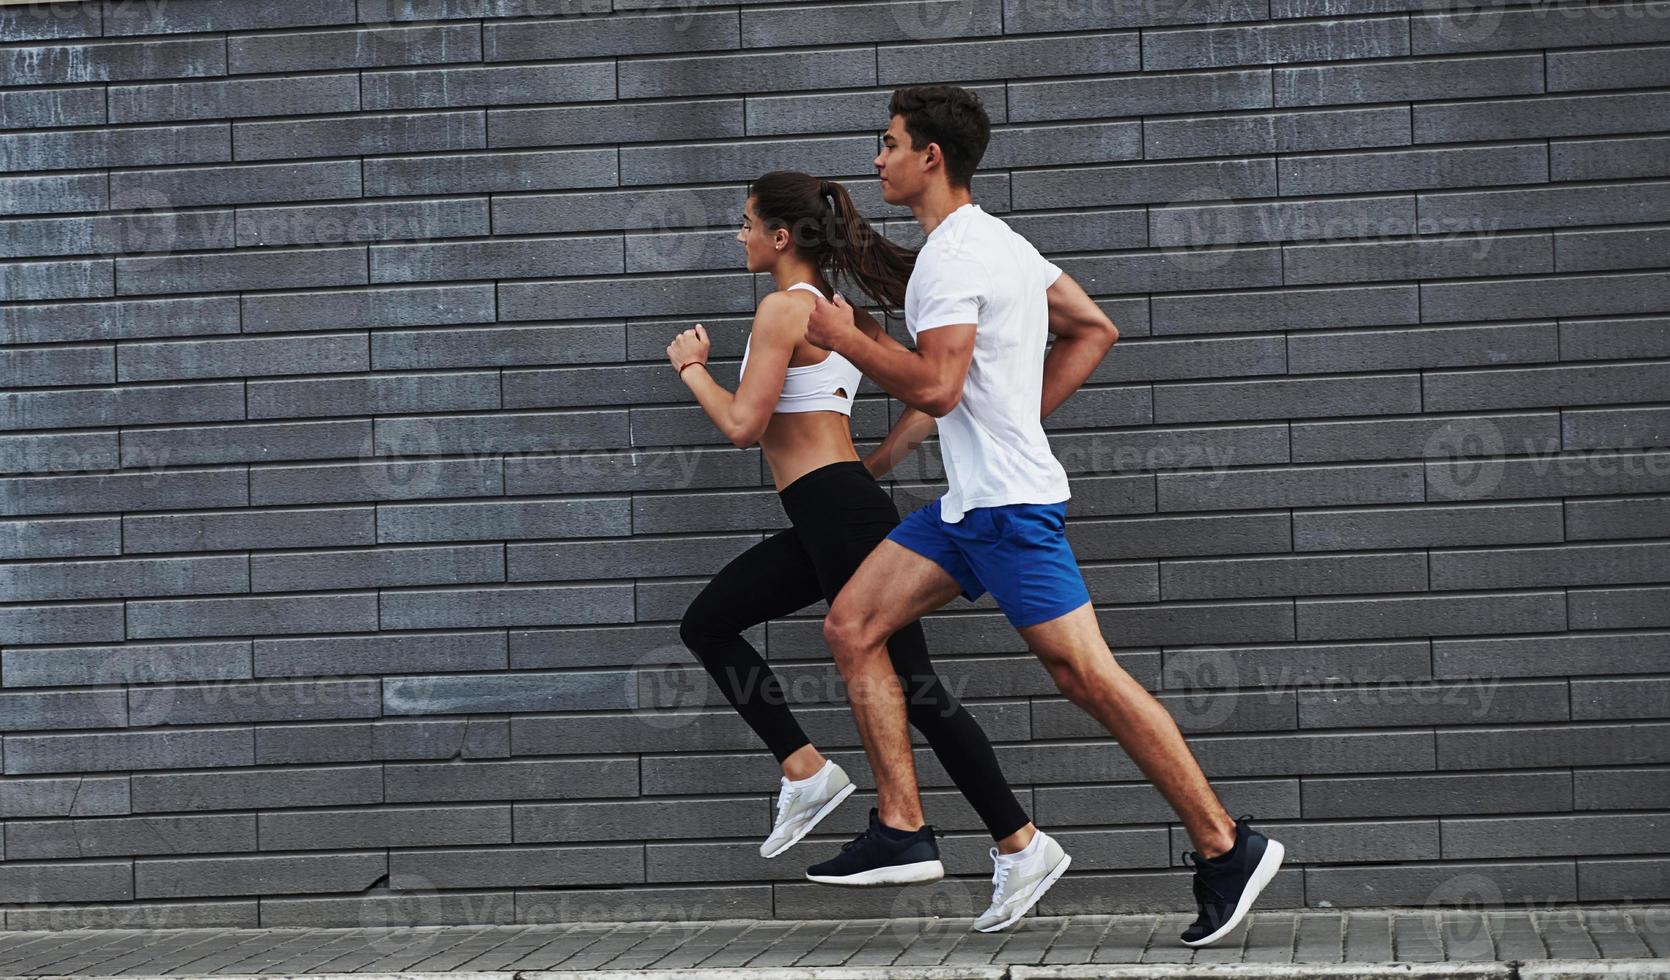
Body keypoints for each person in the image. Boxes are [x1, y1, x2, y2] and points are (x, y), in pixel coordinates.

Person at [798, 85, 1287, 948]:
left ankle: (1224, 844)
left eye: (888, 143)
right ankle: (904, 826)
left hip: (1011, 511)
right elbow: (1094, 329)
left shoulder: (955, 256)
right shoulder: (1003, 245)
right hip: (968, 511)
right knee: (851, 625)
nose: (877, 159)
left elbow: (939, 386)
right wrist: (1015, 420)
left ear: (929, 158)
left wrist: (848, 340)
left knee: (1087, 679)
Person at [667, 170, 1062, 930]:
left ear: (781, 237)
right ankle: (809, 771)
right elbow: (922, 398)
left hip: (837, 515)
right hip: (835, 512)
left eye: (746, 224)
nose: (740, 237)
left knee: (916, 686)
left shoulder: (784, 309)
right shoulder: (843, 314)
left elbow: (745, 426)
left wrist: (690, 368)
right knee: (711, 623)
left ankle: (1016, 841)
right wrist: (870, 466)